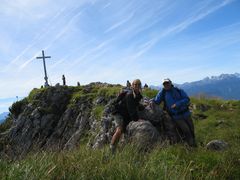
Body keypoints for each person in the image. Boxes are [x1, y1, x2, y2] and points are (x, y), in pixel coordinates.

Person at [151, 78, 196, 147]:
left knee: (191, 129)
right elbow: (157, 101)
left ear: (171, 83)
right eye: (164, 84)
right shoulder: (163, 92)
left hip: (186, 113)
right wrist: (150, 101)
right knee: (186, 130)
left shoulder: (178, 90)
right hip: (176, 116)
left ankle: (193, 142)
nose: (166, 85)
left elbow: (187, 99)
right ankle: (191, 145)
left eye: (167, 83)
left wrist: (177, 104)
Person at [110, 79, 145, 153]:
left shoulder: (138, 95)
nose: (137, 86)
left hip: (125, 113)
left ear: (140, 86)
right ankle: (112, 148)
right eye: (135, 84)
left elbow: (136, 104)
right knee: (120, 129)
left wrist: (143, 107)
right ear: (132, 85)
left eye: (138, 84)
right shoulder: (129, 95)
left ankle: (122, 147)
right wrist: (137, 119)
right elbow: (131, 109)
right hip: (118, 112)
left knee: (125, 130)